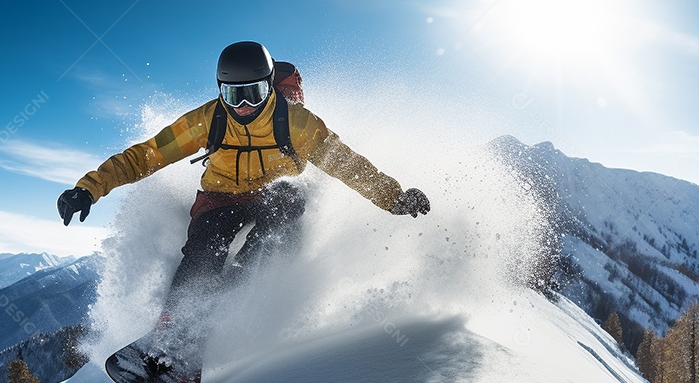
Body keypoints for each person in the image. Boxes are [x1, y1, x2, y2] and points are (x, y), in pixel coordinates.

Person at [58, 41, 430, 336]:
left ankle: (238, 285)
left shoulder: (298, 124)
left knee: (286, 203)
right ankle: (173, 326)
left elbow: (348, 166)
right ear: (221, 92)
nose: (245, 107)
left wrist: (394, 197)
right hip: (220, 194)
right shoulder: (210, 119)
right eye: (234, 96)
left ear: (269, 87)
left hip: (272, 195)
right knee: (207, 239)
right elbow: (145, 156)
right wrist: (88, 189)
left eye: (253, 93)